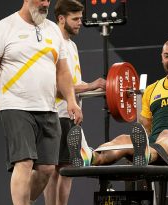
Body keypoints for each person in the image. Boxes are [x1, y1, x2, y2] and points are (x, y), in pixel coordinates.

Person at [0, 0, 83, 204]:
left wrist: (71, 101)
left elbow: (63, 71)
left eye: (48, 0)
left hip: (48, 109)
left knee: (47, 168)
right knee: (24, 162)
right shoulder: (4, 27)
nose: (45, 3)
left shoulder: (53, 30)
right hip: (15, 106)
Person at [69, 38, 168, 168]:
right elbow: (145, 130)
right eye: (167, 56)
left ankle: (146, 155)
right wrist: (132, 146)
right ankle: (89, 157)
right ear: (162, 58)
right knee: (123, 139)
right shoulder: (152, 89)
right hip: (156, 146)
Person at [43, 0, 106, 204]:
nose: (80, 23)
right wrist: (90, 86)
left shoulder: (72, 45)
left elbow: (74, 84)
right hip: (55, 115)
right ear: (61, 19)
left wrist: (98, 87)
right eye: (75, 19)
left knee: (67, 170)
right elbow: (56, 86)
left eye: (80, 18)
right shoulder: (51, 45)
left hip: (70, 117)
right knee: (53, 170)